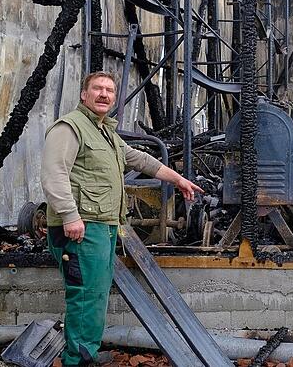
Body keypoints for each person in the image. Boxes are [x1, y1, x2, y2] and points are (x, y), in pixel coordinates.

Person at [40, 71, 202, 366]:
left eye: (109, 90)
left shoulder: (105, 133)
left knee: (96, 292)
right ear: (84, 95)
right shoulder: (69, 128)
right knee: (85, 294)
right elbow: (54, 174)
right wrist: (69, 216)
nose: (104, 94)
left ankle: (85, 350)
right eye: (97, 89)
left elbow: (140, 160)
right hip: (82, 227)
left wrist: (178, 179)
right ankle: (77, 359)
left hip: (101, 225)